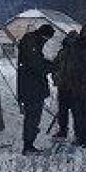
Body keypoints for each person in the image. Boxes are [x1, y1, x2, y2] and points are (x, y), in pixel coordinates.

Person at [16, 23, 56, 154]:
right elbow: (37, 66)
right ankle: (28, 146)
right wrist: (53, 67)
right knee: (32, 117)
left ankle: (29, 143)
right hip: (31, 87)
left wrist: (50, 64)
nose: (46, 42)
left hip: (32, 86)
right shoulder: (31, 44)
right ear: (44, 35)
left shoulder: (33, 42)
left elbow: (39, 61)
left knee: (33, 117)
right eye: (47, 39)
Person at [51, 30, 81, 139]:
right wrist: (56, 77)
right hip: (66, 86)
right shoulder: (63, 52)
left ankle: (67, 132)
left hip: (72, 86)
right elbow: (55, 66)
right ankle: (66, 131)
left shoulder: (76, 53)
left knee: (69, 111)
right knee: (68, 111)